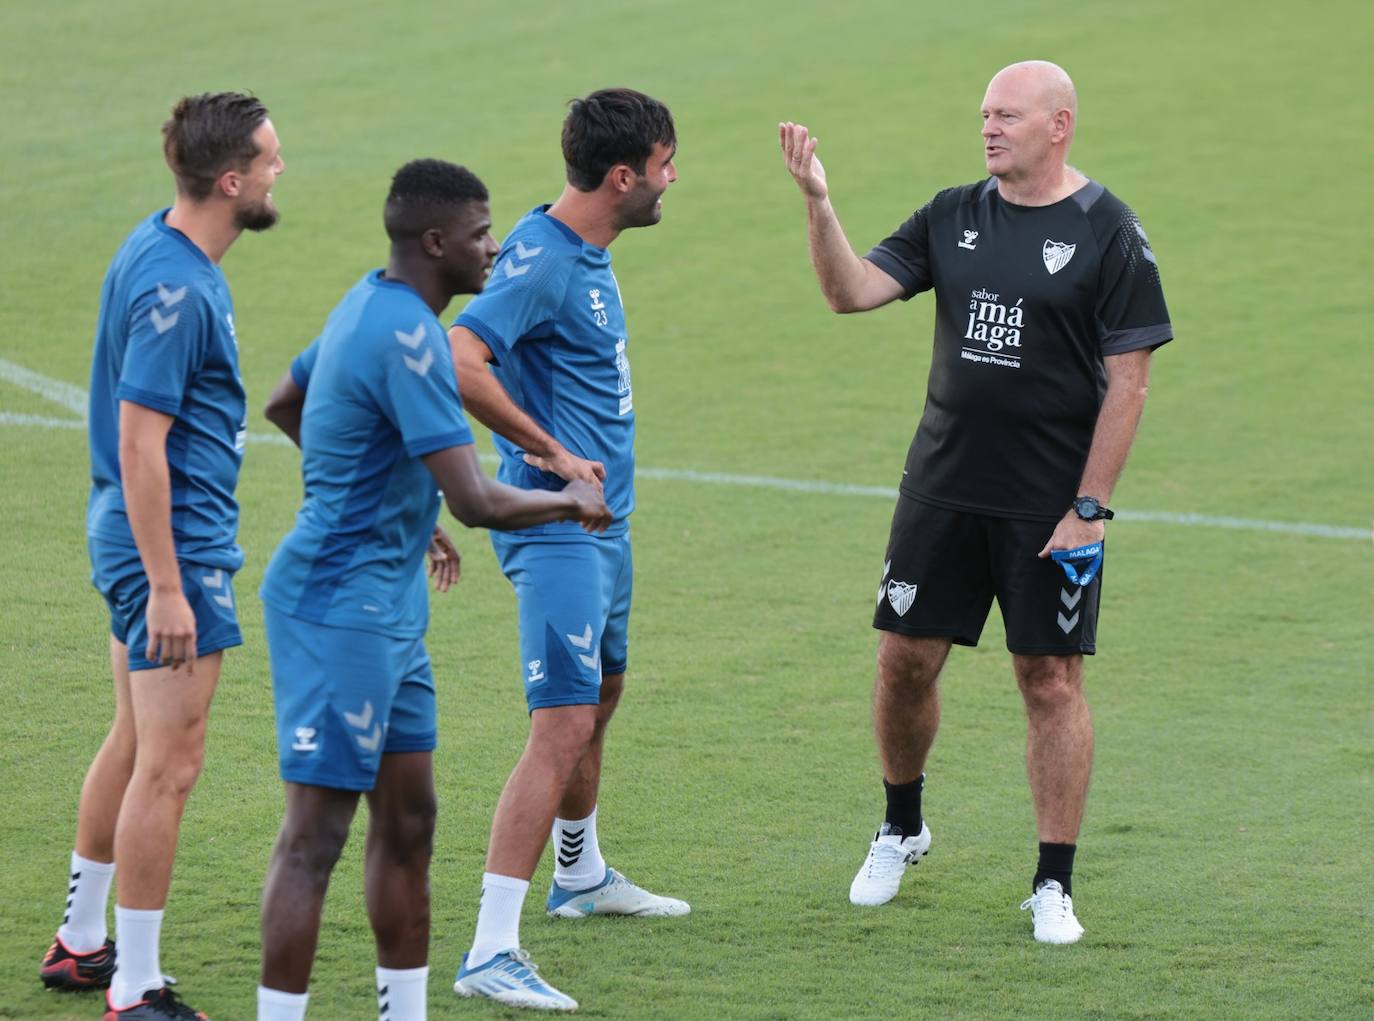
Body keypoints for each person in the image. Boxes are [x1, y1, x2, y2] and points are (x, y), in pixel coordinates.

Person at [780, 60, 1172, 944]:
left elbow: (1130, 381)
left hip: (1048, 507)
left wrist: (1091, 506)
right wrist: (818, 201)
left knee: (1050, 681)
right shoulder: (953, 213)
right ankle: (901, 825)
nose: (988, 128)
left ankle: (1053, 884)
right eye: (984, 114)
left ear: (1059, 124)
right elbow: (849, 293)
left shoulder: (1108, 231)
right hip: (943, 490)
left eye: (1008, 115)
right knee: (903, 662)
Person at [254, 159, 611, 1021]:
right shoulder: (409, 337)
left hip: (389, 613)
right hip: (335, 607)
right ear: (437, 241)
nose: (495, 247)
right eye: (483, 233)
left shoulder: (367, 302)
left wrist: (390, 502)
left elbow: (286, 402)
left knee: (410, 821)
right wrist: (569, 495)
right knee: (316, 838)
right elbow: (480, 499)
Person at [38, 92, 284, 1021]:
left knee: (136, 739)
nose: (278, 172)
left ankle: (83, 941)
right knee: (171, 764)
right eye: (268, 159)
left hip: (134, 534)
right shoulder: (177, 289)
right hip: (170, 548)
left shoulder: (156, 245)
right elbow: (143, 443)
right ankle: (135, 988)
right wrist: (172, 587)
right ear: (230, 180)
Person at [447, 87, 685, 1012]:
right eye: (666, 164)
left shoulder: (587, 248)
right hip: (557, 531)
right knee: (560, 723)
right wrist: (548, 454)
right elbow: (462, 356)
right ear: (623, 176)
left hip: (604, 529)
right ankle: (489, 949)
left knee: (600, 698)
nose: (674, 179)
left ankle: (579, 874)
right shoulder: (541, 259)